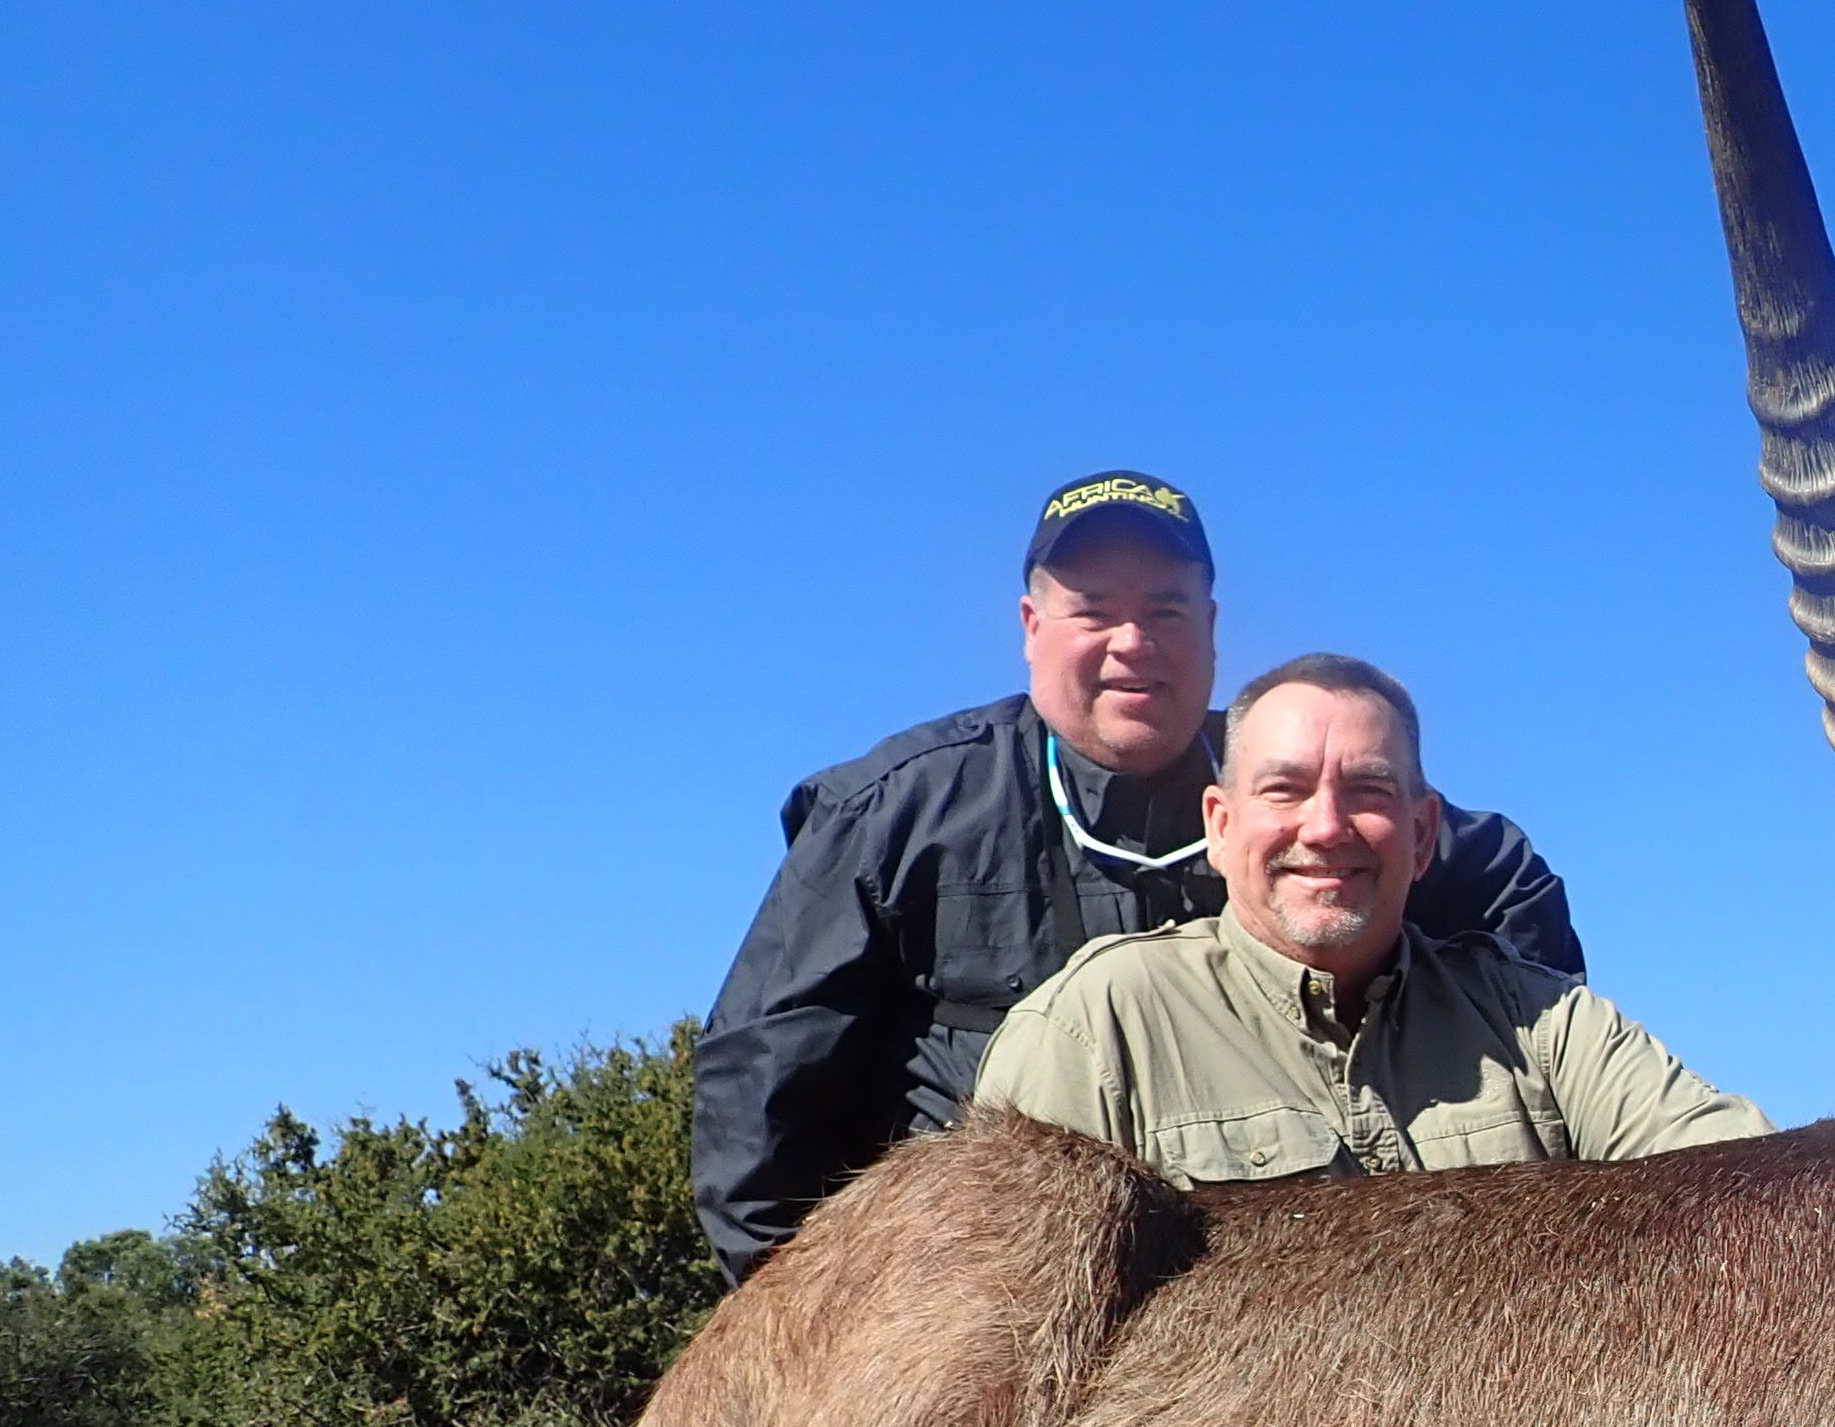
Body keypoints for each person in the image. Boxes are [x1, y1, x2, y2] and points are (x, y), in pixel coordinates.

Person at [690, 474, 1579, 1278]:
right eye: (1094, 611)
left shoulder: (1294, 791)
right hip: (1000, 1311)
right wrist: (820, 1356)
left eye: (1165, 611)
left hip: (1275, 1309)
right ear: (1032, 629)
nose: (1134, 643)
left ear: (1213, 631)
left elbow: (1502, 876)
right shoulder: (893, 812)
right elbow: (756, 1114)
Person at [975, 651, 1766, 1182]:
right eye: (1284, 790)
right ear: (1219, 826)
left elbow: (1756, 1190)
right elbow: (991, 1342)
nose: (1325, 827)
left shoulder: (1544, 1026)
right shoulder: (1095, 1028)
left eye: (1369, 792)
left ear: (1422, 835)